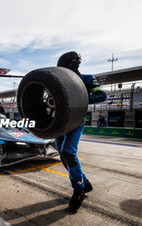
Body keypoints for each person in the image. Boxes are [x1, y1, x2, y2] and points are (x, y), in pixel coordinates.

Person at [55, 51, 107, 210]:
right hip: (59, 124)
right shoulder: (59, 81)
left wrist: (80, 97)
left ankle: (79, 190)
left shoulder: (86, 78)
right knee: (64, 157)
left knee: (69, 153)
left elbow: (102, 96)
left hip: (76, 122)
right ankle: (85, 182)